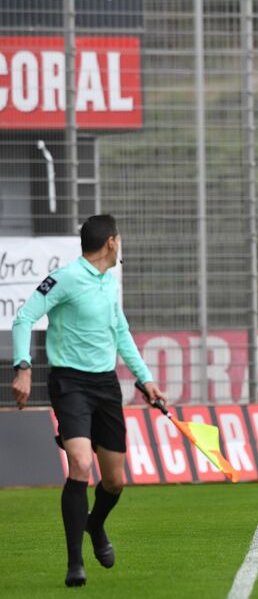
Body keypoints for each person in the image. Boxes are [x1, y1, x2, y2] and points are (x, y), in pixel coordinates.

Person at [11, 214, 164, 587]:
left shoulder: (110, 283)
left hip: (106, 387)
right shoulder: (64, 279)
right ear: (111, 242)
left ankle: (95, 525)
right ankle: (75, 564)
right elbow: (23, 317)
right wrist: (24, 367)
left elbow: (121, 332)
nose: (120, 244)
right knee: (79, 464)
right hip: (70, 385)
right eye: (120, 239)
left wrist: (145, 379)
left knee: (114, 482)